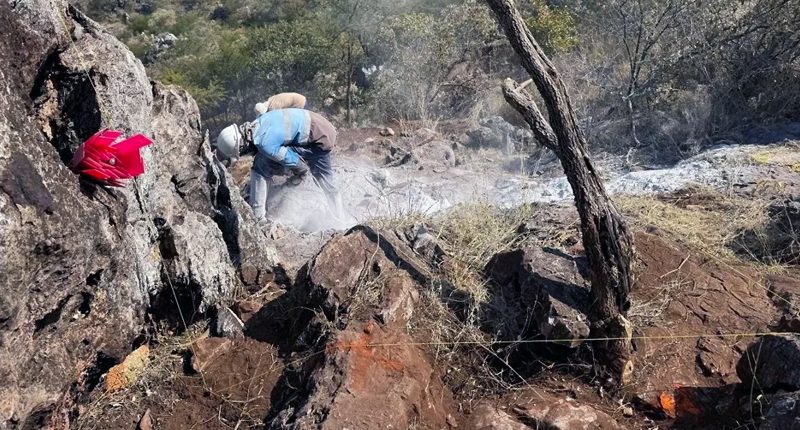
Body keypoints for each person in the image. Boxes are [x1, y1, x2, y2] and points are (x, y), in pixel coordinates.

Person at [214, 108, 340, 222]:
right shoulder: (258, 123)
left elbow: (295, 162)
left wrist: (298, 175)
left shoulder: (264, 143)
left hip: (317, 139)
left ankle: (258, 218)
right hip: (321, 128)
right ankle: (340, 214)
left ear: (241, 147)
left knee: (261, 165)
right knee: (326, 181)